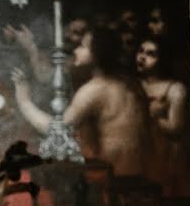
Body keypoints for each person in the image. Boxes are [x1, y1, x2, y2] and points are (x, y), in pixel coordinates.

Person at [12, 27, 150, 181]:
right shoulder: (131, 82)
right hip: (138, 175)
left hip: (115, 180)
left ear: (98, 54)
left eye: (83, 46)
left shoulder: (96, 89)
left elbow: (57, 132)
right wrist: (31, 48)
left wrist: (24, 101)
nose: (76, 51)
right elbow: (48, 76)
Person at [135, 34, 190, 199]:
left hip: (165, 155)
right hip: (141, 152)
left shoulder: (175, 89)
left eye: (151, 54)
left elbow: (176, 127)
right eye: (141, 51)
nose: (142, 57)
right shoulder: (133, 85)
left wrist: (150, 117)